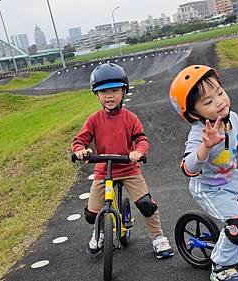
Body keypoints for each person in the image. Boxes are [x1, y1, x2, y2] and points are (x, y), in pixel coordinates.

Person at [169, 65, 238, 281]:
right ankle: (220, 267)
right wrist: (205, 147)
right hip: (210, 189)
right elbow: (188, 168)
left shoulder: (233, 119)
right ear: (193, 113)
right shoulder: (199, 134)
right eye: (208, 102)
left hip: (232, 180)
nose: (219, 101)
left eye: (219, 92)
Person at [71, 63, 174, 259]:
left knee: (146, 204)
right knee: (92, 214)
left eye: (115, 90)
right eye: (103, 92)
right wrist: (80, 150)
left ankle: (158, 238)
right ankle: (100, 233)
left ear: (123, 91)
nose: (109, 96)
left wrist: (138, 151)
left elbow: (141, 139)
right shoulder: (93, 120)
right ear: (96, 95)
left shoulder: (130, 118)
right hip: (104, 170)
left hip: (128, 168)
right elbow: (80, 140)